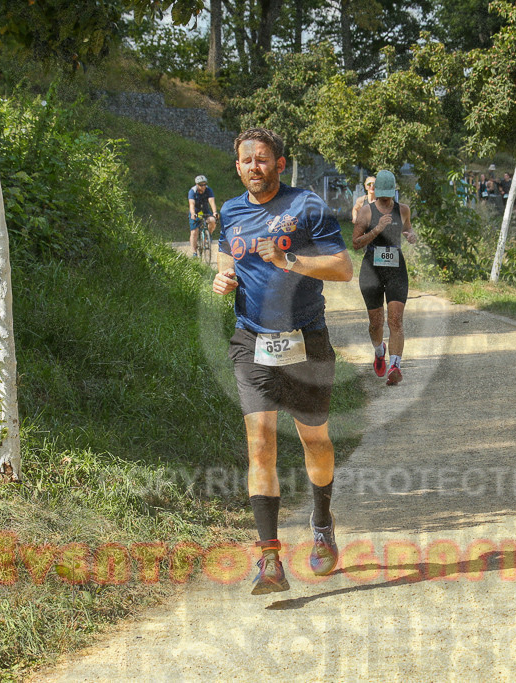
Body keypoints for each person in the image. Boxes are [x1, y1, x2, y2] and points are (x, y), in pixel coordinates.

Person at [212, 128, 354, 595]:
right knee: (260, 443)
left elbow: (342, 267)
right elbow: (226, 261)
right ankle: (269, 559)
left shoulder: (307, 206)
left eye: (263, 158)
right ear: (238, 167)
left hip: (306, 340)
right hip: (252, 340)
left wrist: (290, 261)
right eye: (247, 160)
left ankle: (322, 522)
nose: (254, 166)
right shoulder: (230, 211)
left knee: (315, 441)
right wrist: (223, 279)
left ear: (279, 163)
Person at [352, 169, 417, 386]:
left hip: (396, 269)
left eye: (389, 195)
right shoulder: (366, 212)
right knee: (376, 323)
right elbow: (356, 243)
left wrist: (411, 235)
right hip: (372, 270)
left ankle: (395, 366)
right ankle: (380, 352)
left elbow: (408, 229)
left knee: (395, 320)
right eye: (382, 195)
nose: (386, 199)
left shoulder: (403, 209)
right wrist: (377, 229)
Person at [188, 175, 218, 258]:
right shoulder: (192, 191)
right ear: (197, 185)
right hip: (196, 212)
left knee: (212, 220)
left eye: (205, 184)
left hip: (205, 211)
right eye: (201, 185)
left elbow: (211, 201)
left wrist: (215, 212)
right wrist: (193, 213)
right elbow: (191, 204)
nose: (203, 186)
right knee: (194, 232)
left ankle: (208, 235)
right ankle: (194, 252)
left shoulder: (208, 190)